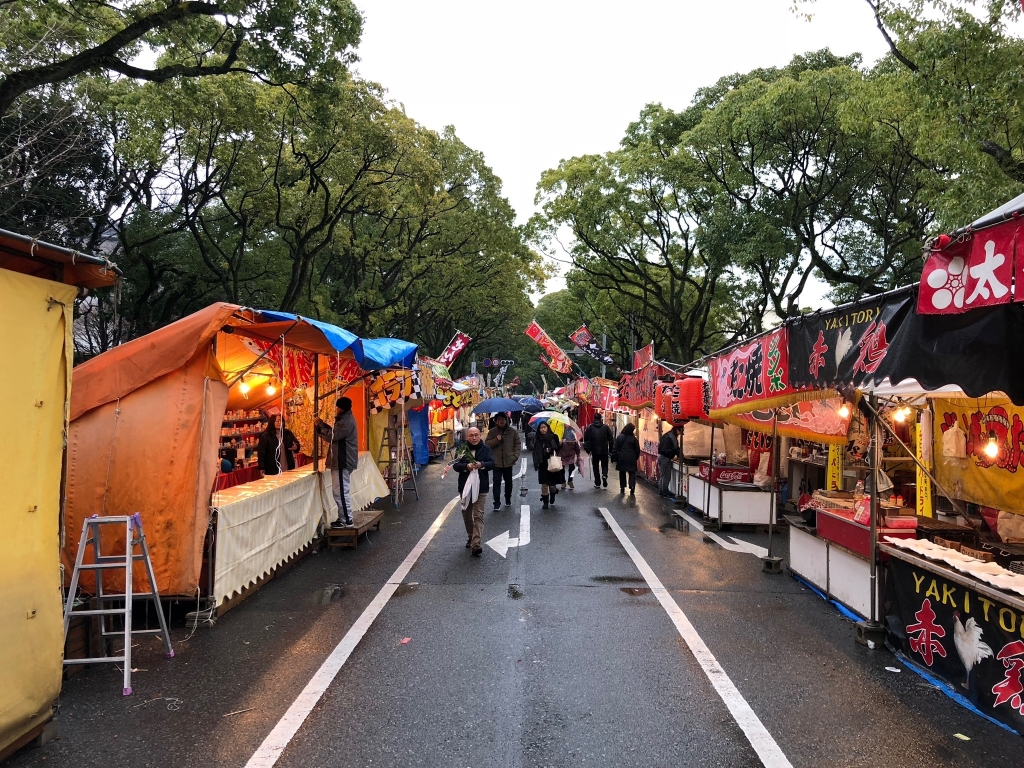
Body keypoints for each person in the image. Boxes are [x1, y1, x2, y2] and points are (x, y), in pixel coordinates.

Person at [316, 397, 359, 528]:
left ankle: (346, 519)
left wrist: (319, 427)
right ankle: (344, 517)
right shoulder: (345, 419)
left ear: (340, 408)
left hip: (342, 460)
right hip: (342, 460)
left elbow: (333, 436)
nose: (335, 409)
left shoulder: (346, 421)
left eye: (336, 407)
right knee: (339, 490)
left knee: (340, 491)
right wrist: (322, 425)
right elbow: (334, 432)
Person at [453, 427, 494, 556]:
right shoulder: (462, 449)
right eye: (472, 435)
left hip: (481, 487)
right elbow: (455, 465)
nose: (474, 438)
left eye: (476, 435)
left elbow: (492, 463)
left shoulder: (486, 449)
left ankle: (476, 544)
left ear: (480, 435)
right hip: (465, 487)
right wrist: (466, 466)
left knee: (478, 514)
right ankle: (471, 536)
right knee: (466, 514)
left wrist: (481, 465)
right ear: (467, 437)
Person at [485, 412, 521, 511]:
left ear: (506, 420)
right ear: (496, 421)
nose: (502, 421)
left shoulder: (512, 432)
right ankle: (496, 502)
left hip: (509, 461)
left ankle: (508, 498)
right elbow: (487, 444)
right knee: (496, 482)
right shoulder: (492, 432)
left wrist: (515, 456)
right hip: (496, 462)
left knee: (509, 482)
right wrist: (496, 440)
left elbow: (518, 444)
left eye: (503, 419)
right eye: (499, 419)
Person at [532, 421, 562, 509]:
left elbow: (558, 448)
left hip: (551, 462)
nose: (543, 429)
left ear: (547, 428)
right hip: (542, 463)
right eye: (541, 428)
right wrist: (536, 462)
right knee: (544, 484)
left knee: (552, 485)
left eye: (544, 427)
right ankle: (545, 502)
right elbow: (535, 451)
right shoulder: (537, 438)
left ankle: (553, 493)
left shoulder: (553, 436)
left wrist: (551, 448)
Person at [583, 413, 614, 489]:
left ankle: (597, 482)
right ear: (601, 419)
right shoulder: (605, 427)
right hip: (604, 450)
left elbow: (586, 439)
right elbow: (611, 439)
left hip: (594, 450)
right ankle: (604, 475)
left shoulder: (590, 427)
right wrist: (610, 450)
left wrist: (588, 450)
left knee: (595, 466)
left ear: (594, 418)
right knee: (605, 465)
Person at [612, 423, 641, 496]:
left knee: (622, 472)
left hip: (621, 457)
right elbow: (637, 450)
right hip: (631, 458)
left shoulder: (619, 437)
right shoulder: (634, 439)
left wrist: (613, 456)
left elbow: (615, 448)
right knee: (632, 472)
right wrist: (636, 457)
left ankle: (622, 486)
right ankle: (632, 486)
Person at [658, 425, 681, 497]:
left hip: (660, 456)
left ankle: (661, 491)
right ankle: (665, 492)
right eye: (680, 432)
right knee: (666, 476)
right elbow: (676, 448)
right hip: (665, 457)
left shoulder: (667, 434)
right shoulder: (672, 437)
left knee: (662, 475)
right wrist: (680, 455)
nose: (680, 434)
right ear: (677, 430)